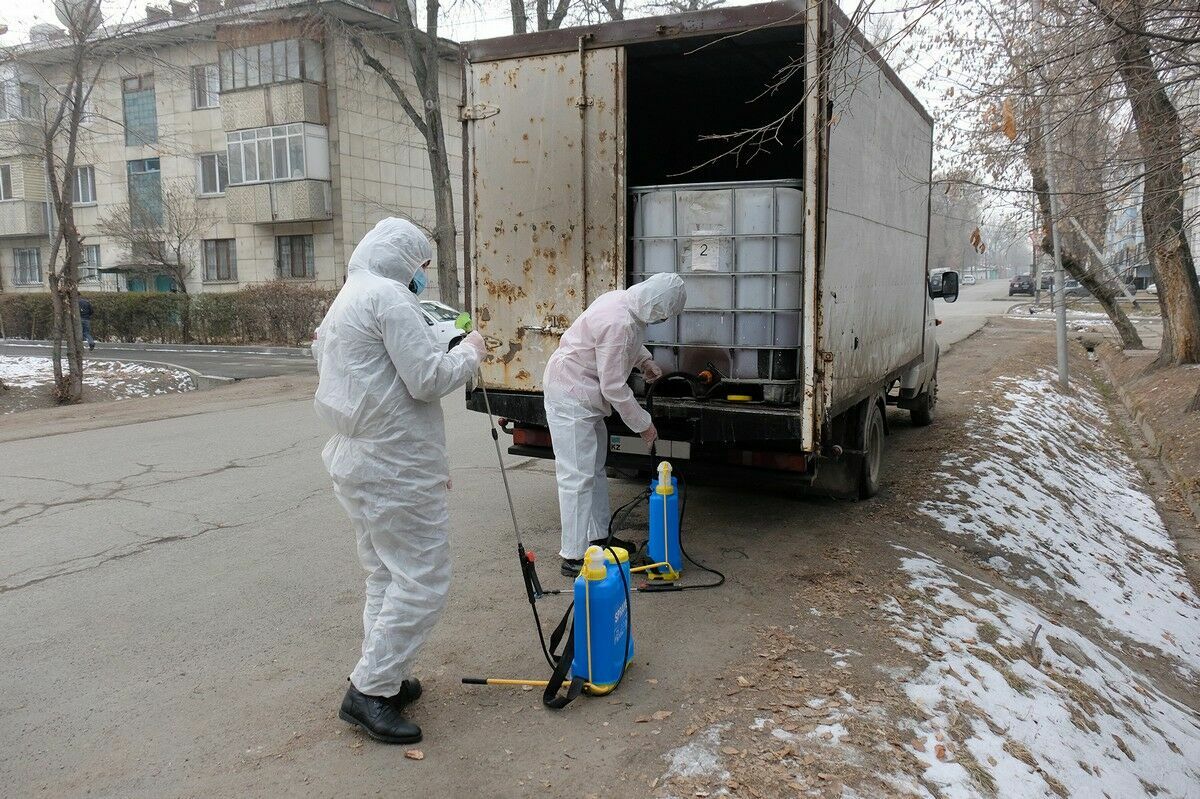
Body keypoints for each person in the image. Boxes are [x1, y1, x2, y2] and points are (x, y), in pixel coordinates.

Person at [313, 218, 486, 745]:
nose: (422, 276)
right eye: (422, 266)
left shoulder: (351, 296)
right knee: (423, 580)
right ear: (404, 260)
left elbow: (375, 376)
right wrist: (470, 350)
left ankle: (384, 677)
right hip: (394, 465)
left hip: (362, 459)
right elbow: (428, 378)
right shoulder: (389, 298)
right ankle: (368, 691)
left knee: (385, 576)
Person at [542, 273, 686, 577]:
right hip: (570, 394)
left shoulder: (623, 302)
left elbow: (625, 345)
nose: (662, 319)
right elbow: (614, 387)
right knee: (576, 476)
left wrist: (645, 361)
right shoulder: (619, 322)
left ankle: (597, 538)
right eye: (665, 314)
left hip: (583, 394)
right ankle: (573, 554)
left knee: (593, 470)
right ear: (658, 307)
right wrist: (644, 425)